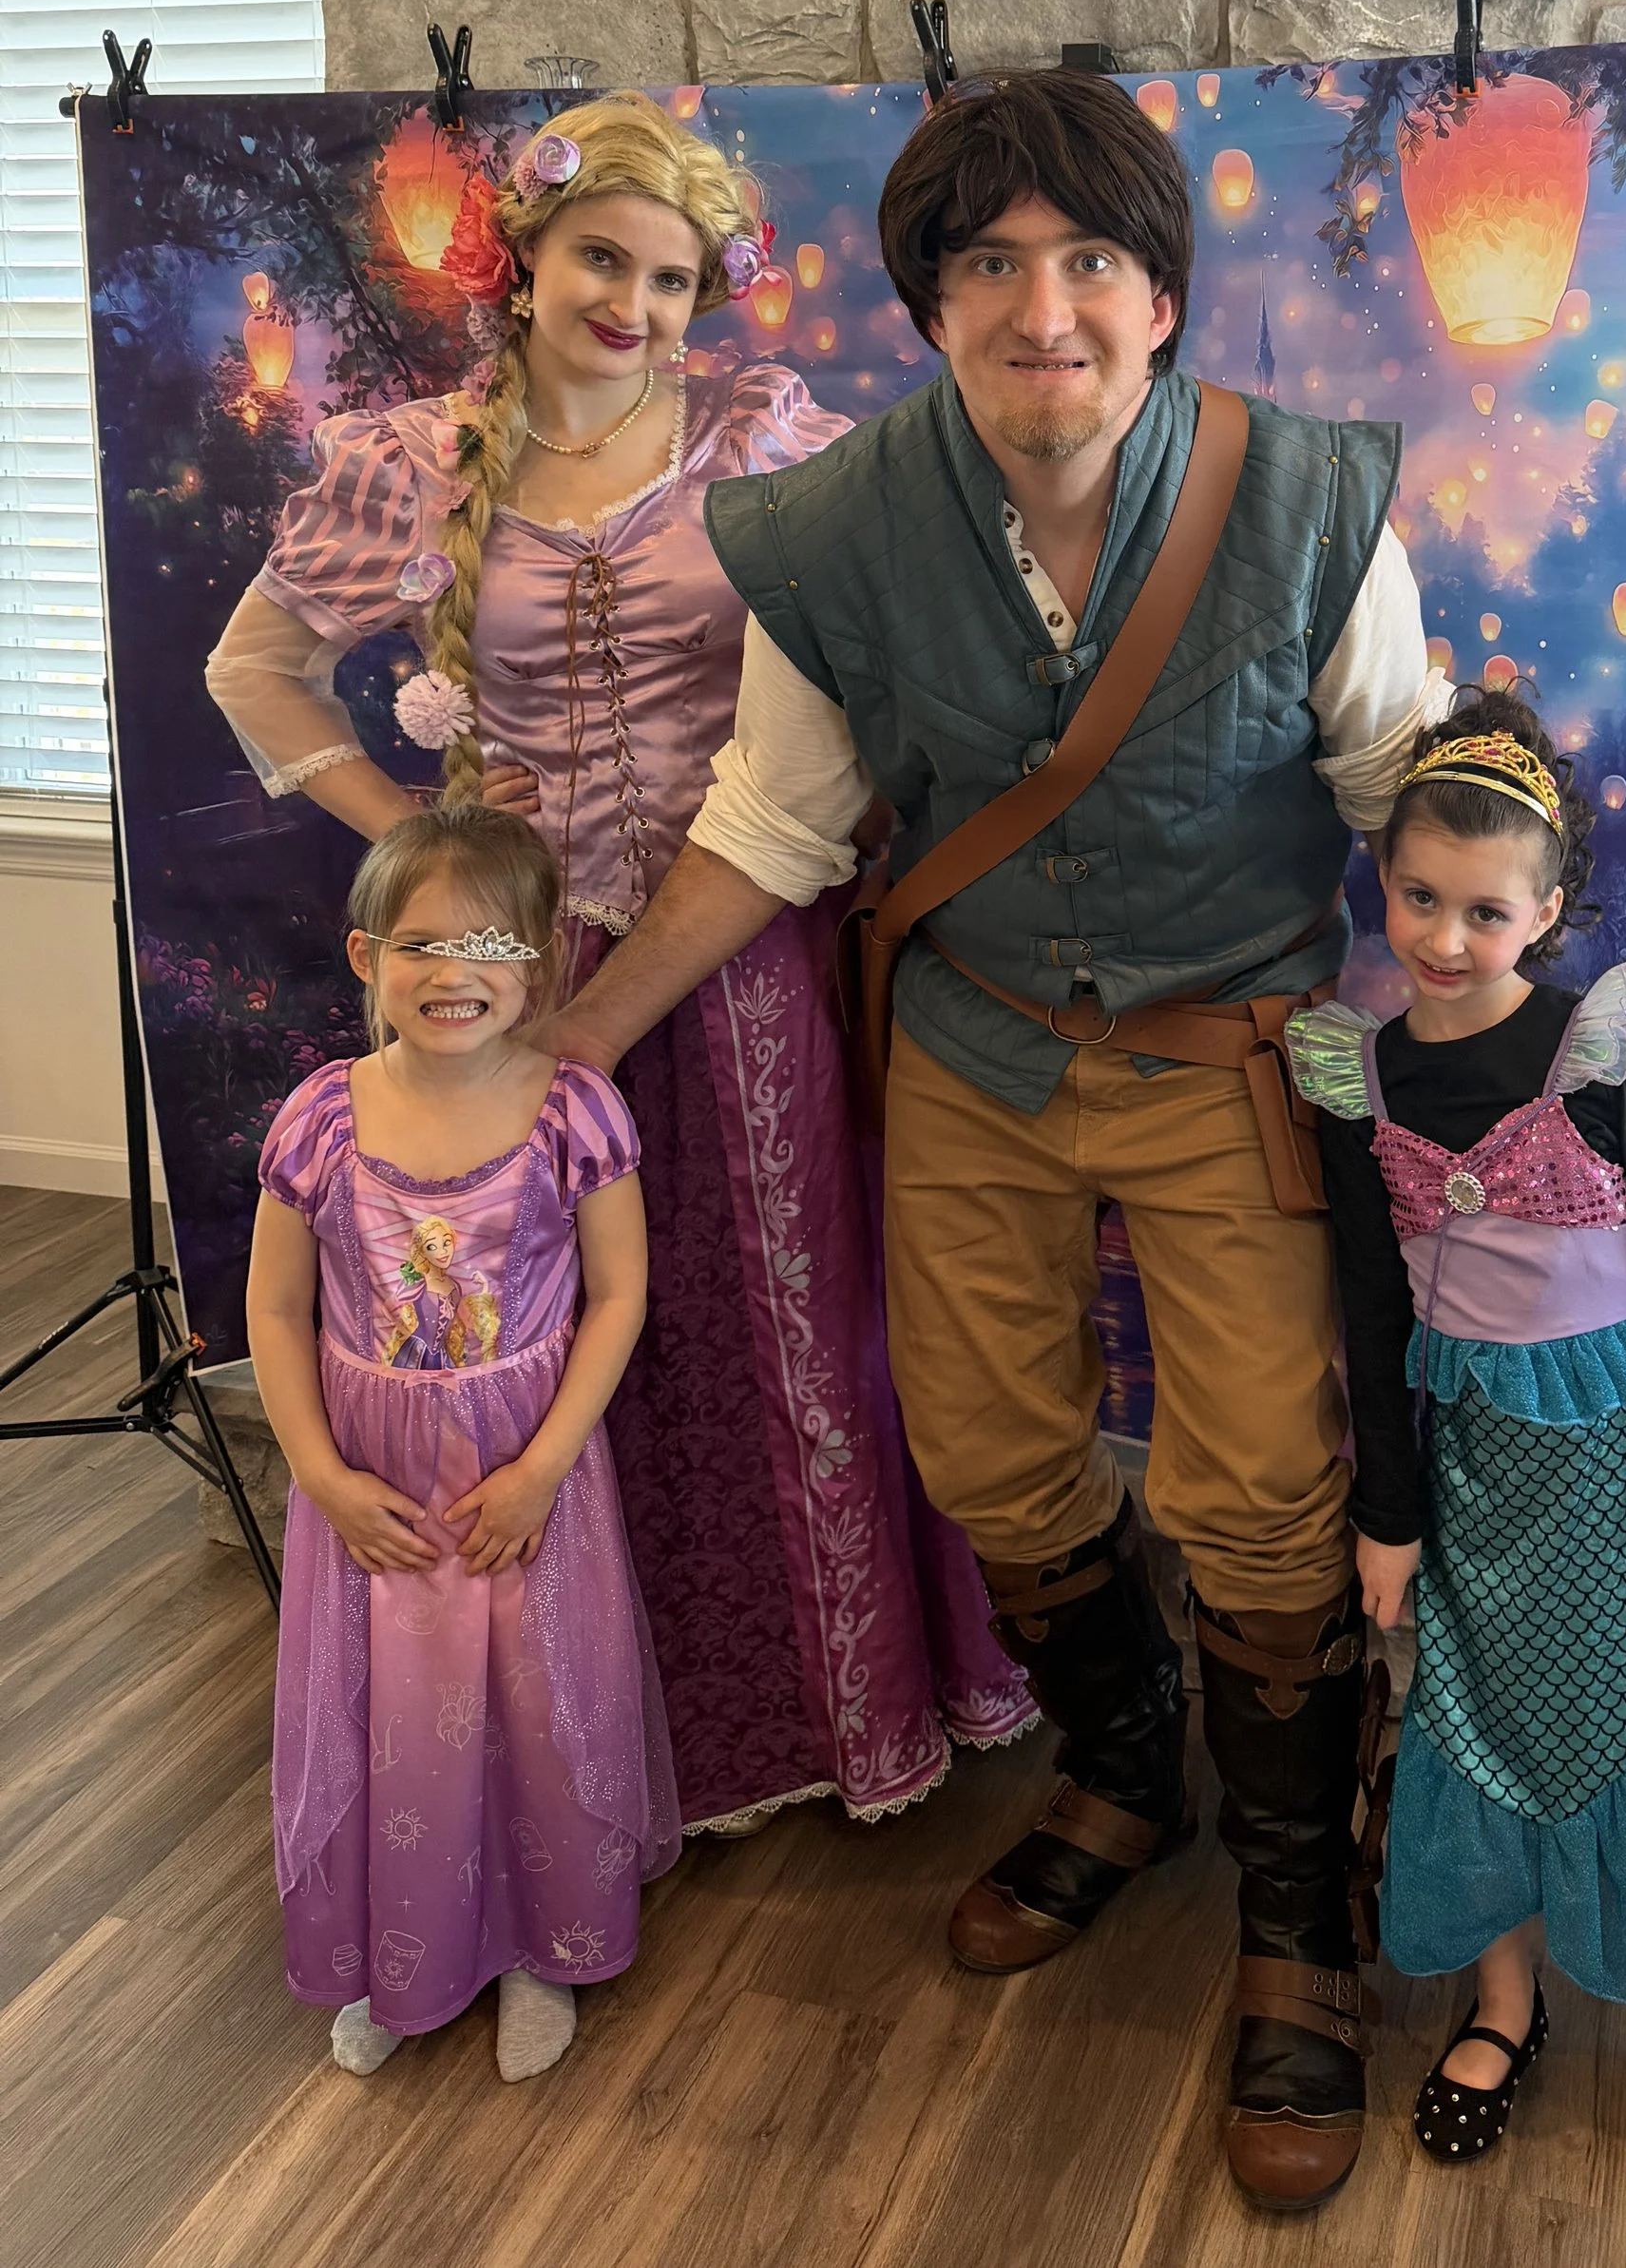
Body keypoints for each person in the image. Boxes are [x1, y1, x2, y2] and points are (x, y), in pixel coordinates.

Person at [541, 68, 1438, 2208]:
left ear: (1158, 294)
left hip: (1232, 1053)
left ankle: (1299, 1912)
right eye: (990, 264)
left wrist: (1477, 1080)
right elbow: (767, 825)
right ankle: (1124, 1773)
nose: (1046, 306)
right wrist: (561, 1051)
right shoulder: (834, 526)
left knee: (1254, 1492)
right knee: (986, 1453)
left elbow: (1402, 801)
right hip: (971, 1053)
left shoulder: (1314, 501)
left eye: (1091, 262)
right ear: (929, 303)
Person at [206, 91, 1029, 1833]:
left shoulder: (758, 434)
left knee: (779, 1315)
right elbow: (255, 671)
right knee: (550, 1331)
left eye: (669, 279)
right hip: (508, 973)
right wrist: (409, 839)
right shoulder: (416, 456)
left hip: (736, 947)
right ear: (526, 260)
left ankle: (810, 1715)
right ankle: (575, 1733)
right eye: (602, 258)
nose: (634, 306)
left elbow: (880, 676)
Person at [1287, 687, 1626, 2235]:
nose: (1443, 937)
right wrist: (1388, 1513)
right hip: (1474, 1470)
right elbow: (1371, 1306)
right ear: (1384, 886)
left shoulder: (1607, 1057)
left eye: (1483, 909)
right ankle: (1503, 2003)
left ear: (1547, 910)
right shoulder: (1361, 1081)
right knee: (1471, 1712)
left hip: (1620, 1470)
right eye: (1418, 899)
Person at [244, 804, 678, 2077]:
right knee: (391, 1714)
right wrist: (321, 1475)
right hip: (372, 1482)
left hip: (524, 1474)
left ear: (537, 965)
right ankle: (402, 1951)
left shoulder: (574, 1116)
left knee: (536, 1705)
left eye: (489, 943)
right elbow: (275, 1308)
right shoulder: (321, 1118)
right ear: (366, 957)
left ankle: (547, 1944)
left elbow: (619, 1297)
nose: (454, 972)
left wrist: (542, 1468)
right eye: (422, 943)